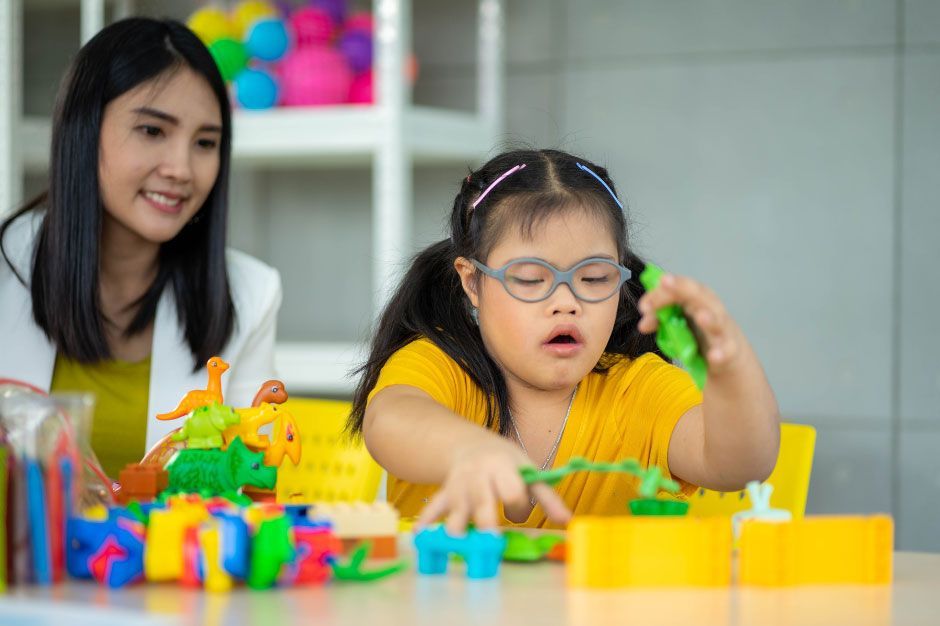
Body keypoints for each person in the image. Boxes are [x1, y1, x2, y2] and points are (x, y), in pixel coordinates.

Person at [349, 149, 780, 532]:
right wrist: (468, 449)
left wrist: (731, 367)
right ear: (473, 282)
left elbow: (740, 466)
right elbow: (389, 420)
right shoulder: (442, 365)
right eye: (532, 279)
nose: (566, 302)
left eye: (594, 278)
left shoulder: (639, 389)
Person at [0, 18, 281, 478]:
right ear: (83, 131)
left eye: (205, 143)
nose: (181, 168)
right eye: (153, 131)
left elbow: (248, 479)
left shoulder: (251, 294)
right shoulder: (5, 266)